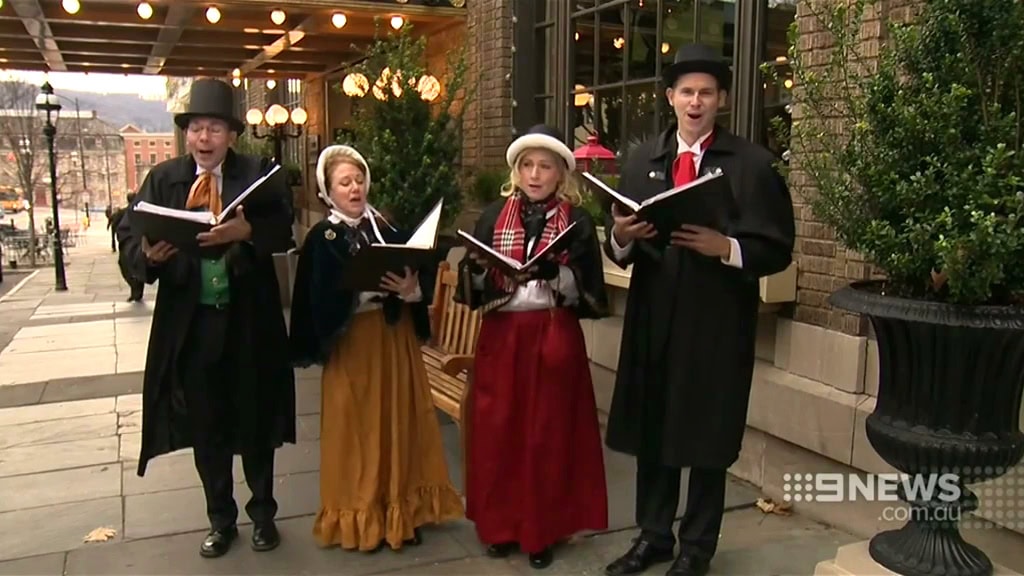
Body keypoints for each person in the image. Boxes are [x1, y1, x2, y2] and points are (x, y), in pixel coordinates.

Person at [602, 44, 795, 576]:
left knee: (707, 435)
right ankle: (654, 535)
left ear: (722, 99)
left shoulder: (753, 165)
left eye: (705, 92)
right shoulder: (643, 160)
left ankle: (697, 547)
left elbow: (778, 247)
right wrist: (619, 235)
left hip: (716, 323)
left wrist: (726, 248)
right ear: (670, 97)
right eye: (686, 91)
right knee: (655, 430)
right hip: (653, 317)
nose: (695, 101)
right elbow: (619, 243)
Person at [115, 78, 297, 559]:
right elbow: (132, 234)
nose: (204, 138)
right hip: (191, 324)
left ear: (231, 134)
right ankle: (221, 519)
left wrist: (249, 229)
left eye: (214, 128)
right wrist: (148, 257)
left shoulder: (257, 173)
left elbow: (284, 225)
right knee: (206, 426)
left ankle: (263, 516)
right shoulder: (164, 179)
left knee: (256, 420)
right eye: (196, 128)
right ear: (186, 133)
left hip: (248, 322)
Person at [288, 144, 464, 553]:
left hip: (394, 338)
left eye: (359, 179)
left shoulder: (384, 225)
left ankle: (403, 510)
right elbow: (316, 301)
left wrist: (410, 289)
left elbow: (413, 265)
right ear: (327, 192)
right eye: (344, 182)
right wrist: (357, 292)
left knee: (399, 421)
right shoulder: (323, 238)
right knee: (360, 430)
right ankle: (363, 515)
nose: (355, 188)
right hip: (354, 345)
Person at [455, 124, 610, 570]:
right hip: (503, 337)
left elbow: (591, 288)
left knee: (547, 434)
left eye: (545, 166)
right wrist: (485, 274)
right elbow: (471, 282)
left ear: (561, 174)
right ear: (517, 172)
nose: (535, 174)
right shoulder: (491, 217)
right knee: (498, 431)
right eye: (528, 165)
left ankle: (541, 529)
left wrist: (555, 276)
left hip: (552, 333)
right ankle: (500, 527)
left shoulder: (577, 222)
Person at [109, 194, 145, 302]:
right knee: (134, 267)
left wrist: (115, 242)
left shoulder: (125, 212)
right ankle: (136, 289)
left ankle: (136, 289)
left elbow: (115, 226)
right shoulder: (138, 212)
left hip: (128, 244)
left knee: (126, 267)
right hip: (135, 243)